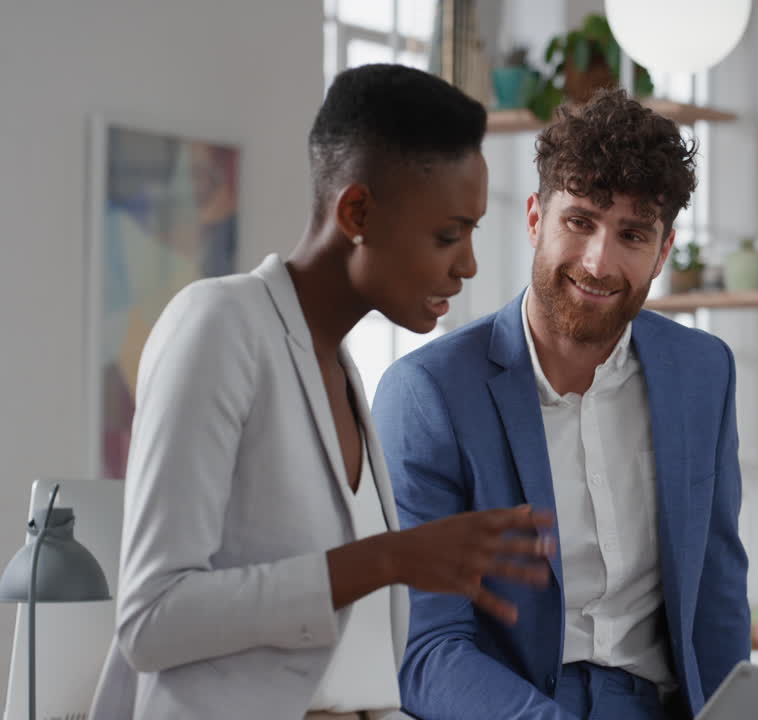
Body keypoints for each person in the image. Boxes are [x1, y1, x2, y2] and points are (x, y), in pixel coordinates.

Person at [88, 64, 555, 720]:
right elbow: (151, 617)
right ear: (356, 211)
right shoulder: (220, 325)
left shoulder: (342, 370)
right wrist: (387, 559)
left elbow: (354, 667)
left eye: (473, 232)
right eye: (448, 235)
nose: (467, 264)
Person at [373, 89, 750, 720]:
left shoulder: (702, 373)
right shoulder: (429, 394)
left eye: (632, 234)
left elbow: (716, 595)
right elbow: (426, 648)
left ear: (662, 252)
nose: (599, 262)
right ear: (533, 219)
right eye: (579, 221)